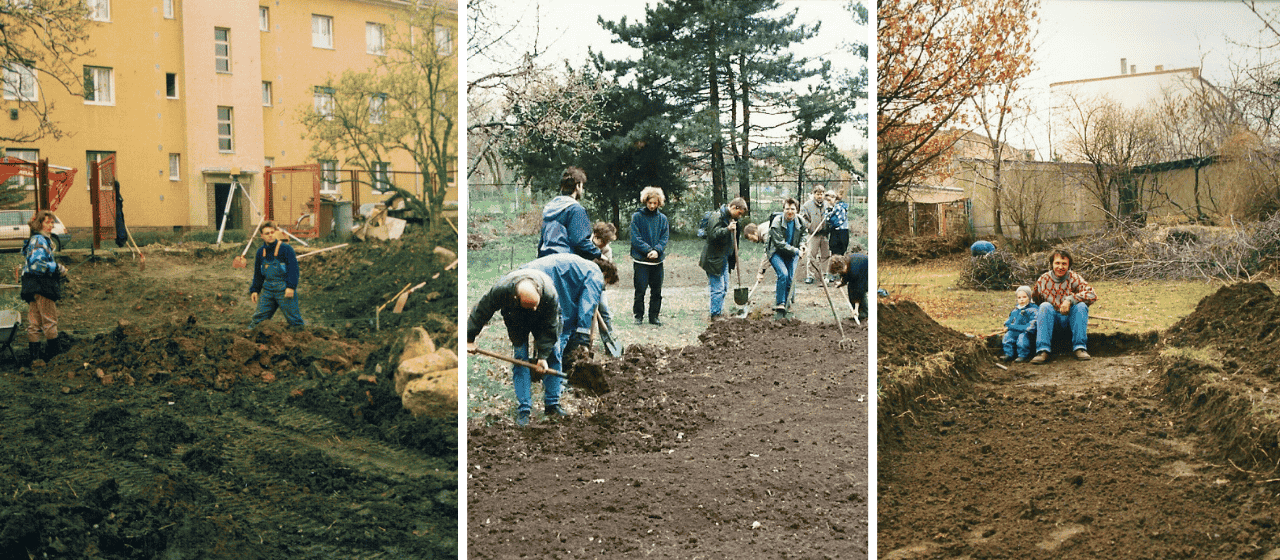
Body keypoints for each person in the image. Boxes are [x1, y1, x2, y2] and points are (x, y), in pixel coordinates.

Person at [467, 266, 563, 426]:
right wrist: (468, 337)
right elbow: (482, 310)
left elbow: (551, 326)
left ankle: (552, 404)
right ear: (516, 298)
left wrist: (543, 357)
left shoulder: (549, 293)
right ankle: (524, 409)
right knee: (520, 357)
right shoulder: (502, 290)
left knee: (554, 354)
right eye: (530, 306)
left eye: (535, 305)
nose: (533, 309)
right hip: (516, 320)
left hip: (545, 320)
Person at [1030, 249, 1097, 364]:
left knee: (1081, 306)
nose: (1060, 267)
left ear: (1069, 265)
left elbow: (1092, 294)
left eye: (1064, 264)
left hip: (1070, 321)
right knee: (1045, 306)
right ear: (1052, 264)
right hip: (1051, 323)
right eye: (1057, 263)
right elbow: (1034, 302)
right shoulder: (1043, 280)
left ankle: (1080, 347)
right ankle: (1042, 350)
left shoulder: (1074, 278)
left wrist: (1070, 300)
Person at [20, 210, 68, 364]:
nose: (51, 225)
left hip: (30, 286)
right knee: (49, 320)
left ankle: (35, 358)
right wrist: (58, 268)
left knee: (34, 322)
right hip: (41, 286)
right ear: (39, 224)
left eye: (52, 222)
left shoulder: (35, 240)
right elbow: (36, 264)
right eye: (48, 222)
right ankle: (55, 358)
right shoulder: (40, 241)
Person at [699, 197, 748, 320]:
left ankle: (719, 310)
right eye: (739, 213)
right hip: (713, 259)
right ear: (733, 207)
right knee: (718, 288)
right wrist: (727, 229)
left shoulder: (732, 218)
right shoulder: (717, 216)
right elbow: (712, 235)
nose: (740, 216)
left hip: (723, 258)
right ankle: (715, 314)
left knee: (725, 287)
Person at [249, 221, 304, 328]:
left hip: (283, 289)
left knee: (294, 320)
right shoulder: (260, 252)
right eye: (267, 233)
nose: (270, 235)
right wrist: (255, 290)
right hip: (268, 290)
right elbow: (258, 274)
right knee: (257, 321)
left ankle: (301, 337)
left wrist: (291, 287)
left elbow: (293, 269)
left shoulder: (286, 249)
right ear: (262, 236)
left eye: (272, 232)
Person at [538, 166, 601, 260]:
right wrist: (599, 254)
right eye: (582, 186)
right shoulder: (575, 210)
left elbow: (541, 243)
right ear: (577, 186)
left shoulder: (550, 208)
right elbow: (580, 243)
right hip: (566, 263)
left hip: (545, 260)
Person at [630, 186, 669, 326]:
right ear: (645, 201)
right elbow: (635, 238)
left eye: (655, 203)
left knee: (656, 291)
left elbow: (664, 238)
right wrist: (647, 251)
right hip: (641, 261)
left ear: (659, 203)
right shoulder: (637, 217)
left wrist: (657, 251)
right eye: (650, 203)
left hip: (657, 262)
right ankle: (638, 316)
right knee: (640, 291)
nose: (652, 206)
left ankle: (654, 317)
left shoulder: (663, 219)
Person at [766, 198, 808, 314]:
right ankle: (780, 303)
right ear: (783, 209)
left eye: (793, 209)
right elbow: (779, 244)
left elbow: (804, 233)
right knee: (783, 274)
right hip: (776, 253)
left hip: (792, 253)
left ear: (797, 210)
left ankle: (788, 301)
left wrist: (802, 244)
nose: (790, 211)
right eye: (787, 208)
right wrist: (796, 251)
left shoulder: (800, 220)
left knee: (791, 277)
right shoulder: (776, 222)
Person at [591, 221, 618, 335]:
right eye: (604, 241)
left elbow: (608, 273)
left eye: (608, 242)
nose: (606, 244)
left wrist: (599, 288)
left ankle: (609, 340)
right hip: (581, 284)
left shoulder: (607, 250)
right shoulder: (584, 243)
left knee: (604, 311)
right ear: (597, 237)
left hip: (599, 284)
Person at [800, 186, 829, 284]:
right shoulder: (807, 205)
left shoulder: (827, 205)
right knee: (811, 255)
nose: (820, 196)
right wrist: (810, 226)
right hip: (813, 234)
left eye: (821, 194)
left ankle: (824, 274)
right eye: (818, 194)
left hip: (824, 234)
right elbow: (802, 219)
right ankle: (810, 275)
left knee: (826, 255)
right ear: (814, 194)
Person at [1002, 285, 1038, 363]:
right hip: (1015, 330)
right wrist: (1006, 325)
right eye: (1019, 298)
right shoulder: (1016, 310)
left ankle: (1023, 355)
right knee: (1008, 336)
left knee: (1022, 339)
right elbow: (1010, 320)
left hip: (1026, 332)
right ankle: (1008, 353)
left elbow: (1032, 324)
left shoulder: (1033, 310)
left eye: (1024, 297)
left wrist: (1027, 328)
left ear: (1029, 297)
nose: (1021, 299)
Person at [829, 253, 869, 321]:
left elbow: (859, 290)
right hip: (860, 272)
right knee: (851, 288)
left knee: (858, 290)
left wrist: (856, 308)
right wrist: (842, 283)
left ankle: (863, 313)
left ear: (843, 267)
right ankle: (858, 313)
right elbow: (845, 275)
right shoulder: (846, 262)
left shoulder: (854, 269)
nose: (839, 273)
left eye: (839, 272)